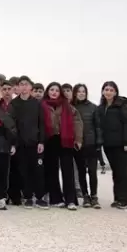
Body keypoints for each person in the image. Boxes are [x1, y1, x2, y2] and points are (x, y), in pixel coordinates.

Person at [40, 82, 83, 210]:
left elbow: (77, 123)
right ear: (48, 91)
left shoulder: (68, 106)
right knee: (52, 170)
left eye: (57, 90)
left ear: (60, 93)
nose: (54, 92)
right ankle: (56, 199)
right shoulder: (42, 106)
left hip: (65, 140)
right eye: (51, 90)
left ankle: (70, 200)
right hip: (50, 140)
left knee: (67, 170)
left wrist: (79, 139)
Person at [9, 76, 47, 209]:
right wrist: (14, 143)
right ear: (18, 87)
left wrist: (41, 141)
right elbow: (12, 125)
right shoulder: (14, 104)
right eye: (21, 84)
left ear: (31, 87)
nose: (24, 87)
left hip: (35, 143)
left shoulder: (37, 103)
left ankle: (40, 197)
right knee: (23, 171)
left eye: (26, 84)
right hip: (20, 144)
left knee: (38, 170)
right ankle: (28, 196)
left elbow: (41, 123)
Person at [97, 81, 127, 209]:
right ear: (103, 91)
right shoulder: (101, 107)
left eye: (111, 90)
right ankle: (118, 198)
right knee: (116, 172)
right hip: (108, 145)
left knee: (122, 172)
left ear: (115, 92)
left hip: (121, 144)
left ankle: (125, 200)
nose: (108, 92)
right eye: (106, 89)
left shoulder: (121, 106)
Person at [72, 84, 101, 208]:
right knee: (81, 172)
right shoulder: (71, 107)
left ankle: (94, 196)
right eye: (79, 91)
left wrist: (99, 142)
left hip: (91, 143)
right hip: (78, 144)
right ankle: (85, 196)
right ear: (75, 93)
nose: (81, 93)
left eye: (83, 91)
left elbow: (98, 126)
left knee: (93, 171)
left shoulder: (93, 107)